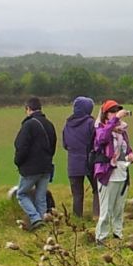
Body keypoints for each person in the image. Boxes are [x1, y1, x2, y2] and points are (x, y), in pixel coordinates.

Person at [93, 99, 133, 243]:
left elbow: (127, 149)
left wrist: (132, 156)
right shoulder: (101, 129)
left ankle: (118, 234)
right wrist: (115, 119)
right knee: (106, 210)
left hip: (122, 173)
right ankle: (101, 238)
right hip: (107, 174)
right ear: (105, 114)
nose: (115, 113)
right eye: (112, 111)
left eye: (117, 111)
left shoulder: (122, 132)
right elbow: (102, 138)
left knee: (119, 208)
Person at [10, 96, 57, 228]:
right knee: (41, 197)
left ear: (28, 109)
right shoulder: (49, 124)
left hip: (30, 168)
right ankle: (43, 222)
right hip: (46, 167)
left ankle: (35, 219)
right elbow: (53, 146)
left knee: (21, 194)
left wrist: (18, 162)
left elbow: (21, 146)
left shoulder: (28, 125)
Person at [60, 95, 100, 219]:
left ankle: (77, 219)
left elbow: (65, 144)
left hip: (73, 164)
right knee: (97, 189)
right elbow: (97, 142)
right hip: (90, 162)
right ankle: (97, 215)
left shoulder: (68, 124)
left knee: (77, 194)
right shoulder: (91, 123)